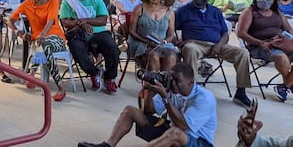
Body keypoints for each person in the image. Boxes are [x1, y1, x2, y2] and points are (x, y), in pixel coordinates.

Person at [78, 62, 216, 147]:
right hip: (175, 133)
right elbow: (148, 111)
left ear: (191, 81)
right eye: (171, 78)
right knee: (130, 111)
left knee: (174, 132)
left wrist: (165, 97)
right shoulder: (172, 89)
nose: (173, 83)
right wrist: (151, 88)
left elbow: (183, 126)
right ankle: (107, 145)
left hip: (198, 142)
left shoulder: (204, 98)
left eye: (177, 80)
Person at [176, 0, 253, 108]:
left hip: (217, 44)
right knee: (189, 49)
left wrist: (219, 45)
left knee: (243, 53)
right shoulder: (183, 11)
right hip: (195, 44)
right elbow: (171, 28)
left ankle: (241, 92)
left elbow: (225, 34)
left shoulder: (215, 11)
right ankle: (191, 90)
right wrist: (178, 40)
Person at [7, 0, 67, 101]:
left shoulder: (53, 2)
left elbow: (51, 21)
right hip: (38, 41)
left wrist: (42, 35)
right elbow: (10, 20)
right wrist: (19, 32)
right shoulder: (27, 4)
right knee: (42, 45)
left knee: (44, 45)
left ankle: (39, 77)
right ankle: (53, 84)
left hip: (55, 37)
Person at [60, 0, 120, 94]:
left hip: (99, 32)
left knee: (112, 47)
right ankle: (95, 72)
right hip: (78, 34)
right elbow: (65, 22)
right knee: (77, 49)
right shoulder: (68, 1)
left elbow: (103, 20)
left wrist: (85, 21)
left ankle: (109, 78)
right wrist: (82, 25)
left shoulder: (97, 1)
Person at [235, 0, 293, 103]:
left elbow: (289, 30)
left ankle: (285, 86)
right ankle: (288, 85)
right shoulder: (250, 12)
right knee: (282, 58)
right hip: (260, 46)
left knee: (283, 54)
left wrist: (284, 36)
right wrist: (260, 42)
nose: (263, 0)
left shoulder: (277, 12)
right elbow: (241, 33)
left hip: (280, 43)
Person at [128, 0, 179, 72]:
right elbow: (132, 31)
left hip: (162, 43)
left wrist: (164, 41)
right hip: (141, 42)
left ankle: (165, 81)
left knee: (171, 55)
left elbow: (171, 35)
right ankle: (153, 80)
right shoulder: (139, 8)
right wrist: (145, 40)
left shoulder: (169, 12)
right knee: (153, 55)